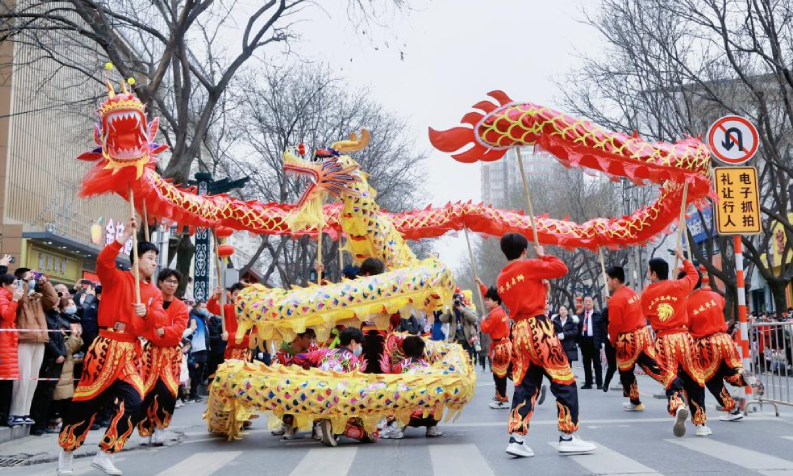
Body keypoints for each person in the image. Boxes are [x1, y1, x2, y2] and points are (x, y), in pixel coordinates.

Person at [57, 217, 166, 476]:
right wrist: (124, 237)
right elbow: (103, 262)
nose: (153, 262)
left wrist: (147, 313)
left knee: (135, 401)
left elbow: (160, 320)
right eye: (150, 257)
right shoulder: (117, 278)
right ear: (136, 259)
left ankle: (105, 453)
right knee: (86, 403)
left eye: (155, 258)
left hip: (131, 351)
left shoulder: (153, 293)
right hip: (106, 346)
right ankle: (66, 454)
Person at [497, 233, 596, 458]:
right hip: (539, 327)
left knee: (525, 385)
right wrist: (544, 256)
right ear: (524, 251)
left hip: (519, 331)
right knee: (564, 379)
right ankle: (567, 436)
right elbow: (561, 268)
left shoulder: (502, 278)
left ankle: (516, 437)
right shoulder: (530, 265)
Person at [640, 250, 709, 438]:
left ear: (654, 274)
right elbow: (695, 275)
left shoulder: (646, 293)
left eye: (648, 271)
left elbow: (646, 314)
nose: (648, 274)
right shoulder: (679, 286)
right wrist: (684, 257)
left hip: (664, 339)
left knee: (670, 376)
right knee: (694, 377)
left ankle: (677, 404)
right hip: (684, 338)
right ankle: (701, 424)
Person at [604, 266, 686, 419]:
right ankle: (677, 387)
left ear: (615, 280)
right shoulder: (631, 293)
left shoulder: (617, 299)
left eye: (608, 279)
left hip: (627, 339)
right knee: (654, 366)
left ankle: (635, 401)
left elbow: (614, 325)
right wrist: (613, 304)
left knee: (626, 372)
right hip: (643, 334)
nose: (607, 283)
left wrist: (613, 340)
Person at [685, 269, 755, 422]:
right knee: (732, 370)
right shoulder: (715, 296)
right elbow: (721, 305)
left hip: (706, 345)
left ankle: (732, 408)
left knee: (712, 379)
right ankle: (749, 380)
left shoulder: (685, 305)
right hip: (724, 339)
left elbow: (685, 328)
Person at [292, 327, 371, 446]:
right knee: (369, 434)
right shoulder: (353, 360)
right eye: (359, 343)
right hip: (341, 400)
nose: (360, 347)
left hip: (317, 396)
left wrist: (309, 371)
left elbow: (298, 358)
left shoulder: (324, 352)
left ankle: (325, 425)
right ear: (353, 342)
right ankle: (340, 429)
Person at [138, 268, 189, 446]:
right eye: (168, 281)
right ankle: (145, 429)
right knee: (146, 392)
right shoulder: (151, 302)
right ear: (160, 282)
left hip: (171, 354)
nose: (171, 284)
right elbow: (143, 325)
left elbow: (178, 332)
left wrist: (163, 330)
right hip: (151, 352)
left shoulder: (181, 307)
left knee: (167, 392)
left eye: (175, 282)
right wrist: (155, 331)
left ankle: (160, 426)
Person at [11, 267, 58, 427]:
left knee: (33, 379)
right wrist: (24, 282)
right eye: (28, 277)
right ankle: (15, 412)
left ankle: (25, 412)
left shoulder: (38, 298)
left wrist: (45, 283)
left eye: (33, 277)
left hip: (40, 339)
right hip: (24, 339)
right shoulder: (19, 296)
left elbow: (53, 300)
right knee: (22, 379)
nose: (32, 279)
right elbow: (21, 299)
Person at [380, 335, 443, 439]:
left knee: (391, 391)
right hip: (430, 415)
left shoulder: (399, 366)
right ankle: (432, 427)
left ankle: (397, 427)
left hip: (410, 415)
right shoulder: (428, 366)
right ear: (422, 351)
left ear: (403, 351)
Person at [30, 296, 70, 435]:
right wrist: (57, 354)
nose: (56, 303)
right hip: (49, 359)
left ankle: (44, 423)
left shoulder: (56, 317)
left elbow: (61, 338)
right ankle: (38, 424)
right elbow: (48, 339)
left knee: (49, 393)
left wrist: (63, 354)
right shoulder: (45, 316)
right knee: (42, 393)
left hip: (58, 359)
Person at [271, 329, 318, 439]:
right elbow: (274, 376)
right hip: (289, 390)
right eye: (308, 337)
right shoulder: (281, 355)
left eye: (312, 338)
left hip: (310, 387)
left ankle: (318, 425)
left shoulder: (314, 350)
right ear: (297, 337)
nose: (311, 341)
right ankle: (288, 424)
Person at [476, 277, 512, 410]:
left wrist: (483, 320)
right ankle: (500, 396)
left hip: (501, 347)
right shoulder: (499, 310)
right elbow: (488, 294)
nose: (486, 301)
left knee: (500, 374)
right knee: (505, 372)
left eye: (488, 300)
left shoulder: (494, 315)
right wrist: (481, 284)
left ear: (495, 301)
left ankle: (502, 399)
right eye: (485, 299)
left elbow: (485, 329)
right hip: (503, 345)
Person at [50, 316, 82, 435]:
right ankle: (55, 420)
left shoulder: (67, 326)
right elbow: (66, 349)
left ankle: (63, 420)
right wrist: (74, 336)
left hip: (68, 368)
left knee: (67, 396)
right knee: (59, 395)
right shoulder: (57, 330)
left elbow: (76, 346)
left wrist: (77, 335)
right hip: (60, 367)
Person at [0, 274, 22, 426]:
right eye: (14, 284)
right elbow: (7, 316)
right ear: (4, 284)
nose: (16, 286)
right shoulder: (2, 297)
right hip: (4, 341)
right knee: (4, 381)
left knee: (8, 381)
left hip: (9, 340)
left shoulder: (8, 296)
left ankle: (4, 415)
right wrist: (14, 300)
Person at [208, 283, 250, 361]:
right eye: (235, 294)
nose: (238, 297)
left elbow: (250, 339)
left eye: (242, 295)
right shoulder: (228, 308)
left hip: (245, 351)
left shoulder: (251, 312)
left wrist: (229, 336)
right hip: (230, 350)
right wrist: (215, 297)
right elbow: (211, 308)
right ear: (231, 296)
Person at [438, 293, 478, 361]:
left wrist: (461, 309)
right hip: (455, 342)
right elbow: (442, 319)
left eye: (457, 300)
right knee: (457, 363)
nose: (456, 302)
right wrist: (450, 309)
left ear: (461, 300)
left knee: (468, 362)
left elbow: (474, 319)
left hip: (467, 341)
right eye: (454, 300)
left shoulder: (467, 308)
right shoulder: (451, 311)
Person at [578, 295, 605, 389]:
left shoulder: (598, 315)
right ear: (583, 303)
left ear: (593, 303)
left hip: (595, 341)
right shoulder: (580, 316)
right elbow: (577, 329)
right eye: (586, 301)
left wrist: (602, 341)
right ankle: (588, 383)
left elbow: (602, 329)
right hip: (584, 341)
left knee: (597, 363)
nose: (588, 303)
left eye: (589, 301)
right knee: (586, 363)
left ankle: (599, 383)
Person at [187, 301, 211, 402]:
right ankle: (192, 393)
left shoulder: (202, 319)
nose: (204, 309)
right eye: (202, 307)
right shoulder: (193, 318)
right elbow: (191, 331)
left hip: (203, 348)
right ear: (196, 307)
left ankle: (194, 392)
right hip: (195, 349)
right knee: (194, 372)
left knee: (199, 372)